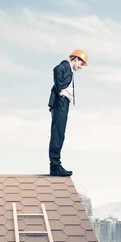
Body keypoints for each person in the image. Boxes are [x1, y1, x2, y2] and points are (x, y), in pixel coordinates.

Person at [47, 49, 88, 177]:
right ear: (76, 59)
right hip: (60, 102)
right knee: (57, 134)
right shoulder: (65, 65)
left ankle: (55, 166)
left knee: (60, 134)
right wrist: (59, 90)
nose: (81, 67)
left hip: (64, 103)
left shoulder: (69, 71)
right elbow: (56, 69)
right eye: (81, 64)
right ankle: (55, 166)